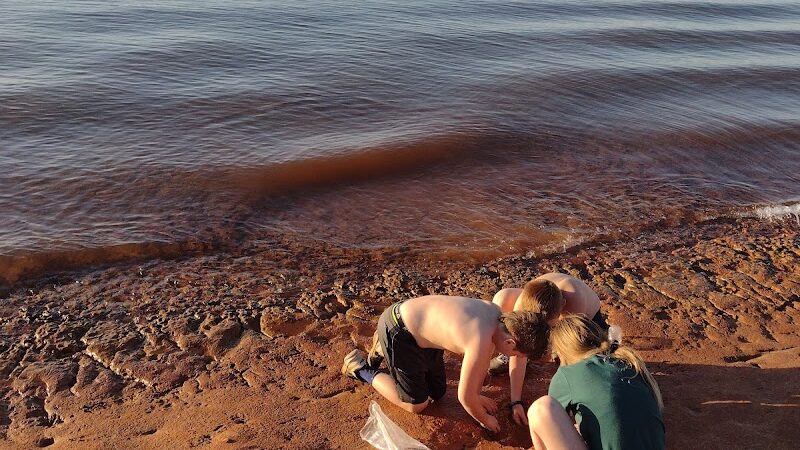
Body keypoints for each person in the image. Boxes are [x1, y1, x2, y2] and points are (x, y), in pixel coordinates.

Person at [341, 295, 550, 432]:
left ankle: (382, 347)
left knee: (438, 392)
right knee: (417, 405)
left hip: (423, 332)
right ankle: (361, 369)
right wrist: (485, 419)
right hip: (399, 330)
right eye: (517, 355)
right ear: (510, 342)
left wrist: (484, 397)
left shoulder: (497, 315)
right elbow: (464, 397)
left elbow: (472, 388)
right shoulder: (479, 340)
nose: (515, 359)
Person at [527, 315, 665, 450]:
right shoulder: (629, 363)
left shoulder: (568, 373)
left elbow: (555, 426)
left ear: (562, 351)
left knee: (541, 409)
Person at [488, 273, 607, 426]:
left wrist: (562, 403)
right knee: (503, 298)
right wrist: (515, 401)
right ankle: (520, 351)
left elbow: (570, 358)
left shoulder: (574, 299)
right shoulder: (522, 305)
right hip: (545, 313)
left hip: (587, 319)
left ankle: (604, 336)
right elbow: (520, 353)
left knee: (589, 359)